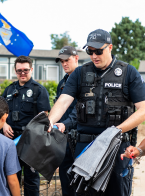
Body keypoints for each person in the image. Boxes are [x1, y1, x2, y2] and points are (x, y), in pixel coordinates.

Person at [48, 29, 145, 196]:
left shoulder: (128, 73)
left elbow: (143, 109)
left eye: (98, 51)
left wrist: (117, 130)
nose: (94, 55)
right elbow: (63, 101)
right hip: (85, 147)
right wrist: (49, 122)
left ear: (110, 47)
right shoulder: (80, 73)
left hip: (116, 147)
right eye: (90, 51)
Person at [2, 55, 51, 196]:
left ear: (31, 69)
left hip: (31, 141)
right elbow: (1, 112)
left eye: (25, 70)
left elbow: (44, 117)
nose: (22, 73)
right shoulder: (9, 90)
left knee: (31, 180)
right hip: (11, 141)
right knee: (11, 177)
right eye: (19, 71)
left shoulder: (39, 90)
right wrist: (4, 124)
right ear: (15, 70)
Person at [54, 46, 78, 196]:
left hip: (80, 139)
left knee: (80, 183)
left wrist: (66, 124)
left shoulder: (84, 80)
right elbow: (59, 108)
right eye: (62, 61)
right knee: (65, 182)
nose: (64, 64)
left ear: (76, 58)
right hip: (63, 139)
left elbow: (80, 111)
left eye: (67, 60)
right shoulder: (62, 84)